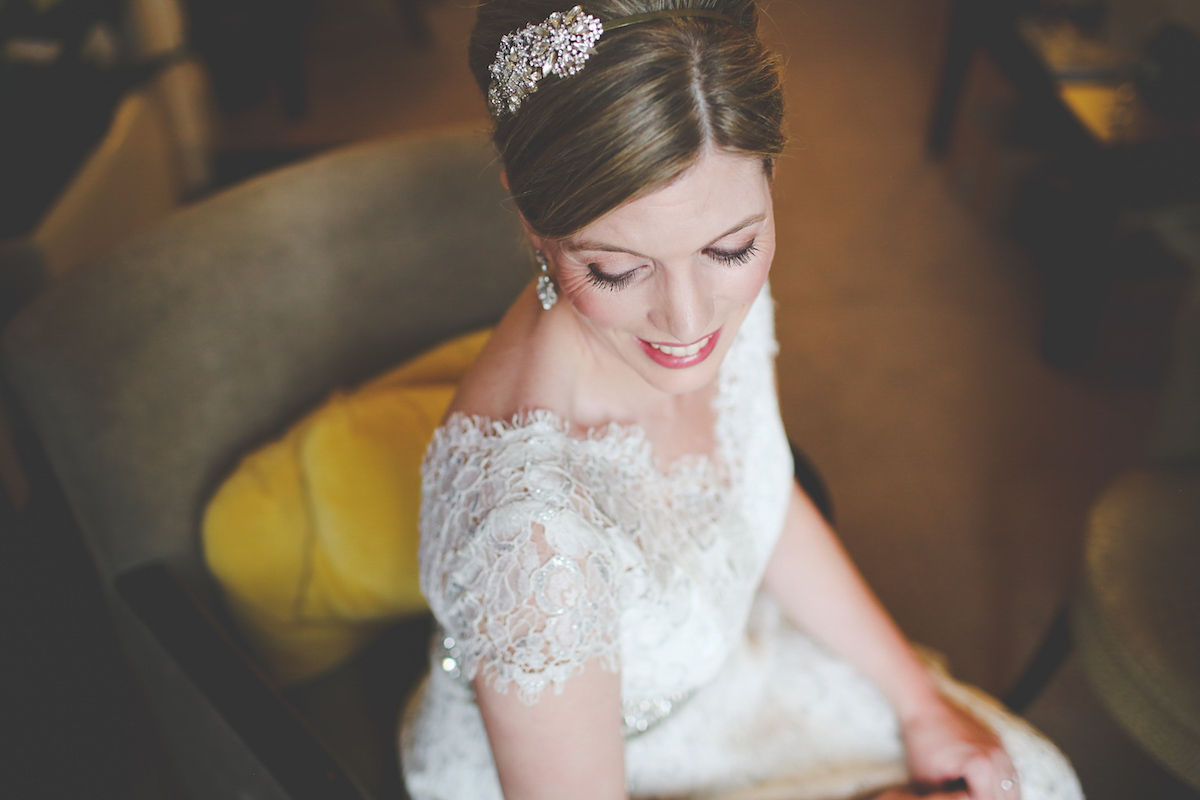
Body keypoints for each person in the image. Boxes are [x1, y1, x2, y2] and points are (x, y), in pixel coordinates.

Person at [399, 2, 1085, 799]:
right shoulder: (537, 549)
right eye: (617, 270)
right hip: (600, 761)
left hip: (720, 661)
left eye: (732, 248)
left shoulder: (710, 276)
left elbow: (758, 489)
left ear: (766, 179)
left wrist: (918, 702)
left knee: (1034, 781)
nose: (690, 322)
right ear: (528, 212)